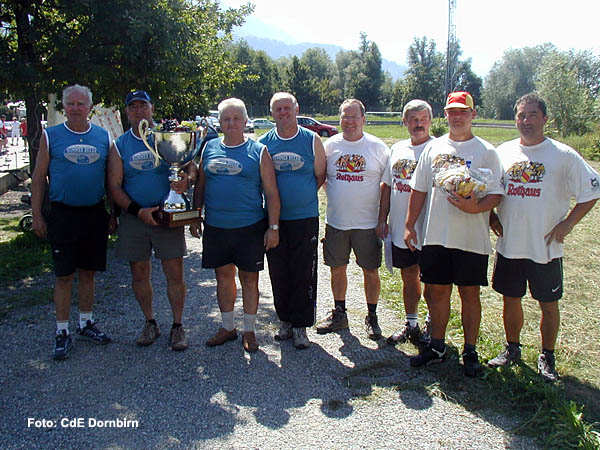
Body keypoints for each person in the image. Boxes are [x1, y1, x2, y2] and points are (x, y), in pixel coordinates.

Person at [487, 93, 600, 382]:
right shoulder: (504, 152)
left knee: (548, 305)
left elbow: (592, 191)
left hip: (546, 246)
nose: (525, 121)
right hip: (510, 243)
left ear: (545, 119)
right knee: (510, 299)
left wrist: (568, 223)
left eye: (532, 115)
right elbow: (489, 189)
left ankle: (547, 356)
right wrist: (490, 216)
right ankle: (513, 349)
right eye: (521, 116)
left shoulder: (563, 156)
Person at [405, 91, 504, 376]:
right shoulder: (433, 149)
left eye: (463, 111)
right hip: (437, 235)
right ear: (445, 115)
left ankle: (470, 351)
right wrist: (410, 224)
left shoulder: (486, 151)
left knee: (469, 294)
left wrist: (476, 210)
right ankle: (437, 346)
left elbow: (496, 193)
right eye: (452, 111)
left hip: (471, 238)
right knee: (436, 292)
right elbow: (419, 188)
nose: (457, 116)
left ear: (473, 114)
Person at [107, 90, 196, 351]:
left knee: (174, 272)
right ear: (127, 112)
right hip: (136, 218)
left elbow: (192, 166)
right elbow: (114, 185)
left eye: (143, 106)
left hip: (167, 215)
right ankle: (150, 322)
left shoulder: (168, 136)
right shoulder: (120, 145)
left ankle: (178, 327)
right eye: (133, 107)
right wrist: (138, 211)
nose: (139, 111)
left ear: (152, 108)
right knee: (139, 272)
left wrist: (186, 180)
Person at [191, 98, 280, 353]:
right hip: (217, 226)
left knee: (249, 280)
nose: (231, 123)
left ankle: (249, 330)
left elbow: (272, 193)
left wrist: (273, 227)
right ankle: (228, 327)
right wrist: (196, 215)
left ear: (245, 121)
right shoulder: (209, 148)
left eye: (236, 119)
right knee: (223, 277)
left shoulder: (258, 151)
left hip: (249, 226)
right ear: (220, 122)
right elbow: (201, 185)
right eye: (226, 119)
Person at [31, 84, 113, 360]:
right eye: (71, 104)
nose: (76, 108)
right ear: (63, 108)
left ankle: (86, 323)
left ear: (90, 107)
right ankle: (62, 330)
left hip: (94, 213)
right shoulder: (51, 136)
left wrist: (112, 213)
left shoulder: (103, 136)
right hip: (63, 214)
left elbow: (111, 179)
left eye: (81, 104)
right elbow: (39, 177)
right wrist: (37, 214)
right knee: (64, 276)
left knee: (88, 272)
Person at [316, 99, 390, 339]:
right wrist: (338, 196)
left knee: (370, 270)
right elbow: (322, 176)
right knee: (337, 268)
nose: (349, 121)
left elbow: (386, 185)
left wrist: (381, 218)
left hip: (367, 223)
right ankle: (340, 314)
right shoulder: (330, 146)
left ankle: (372, 316)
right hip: (337, 222)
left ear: (363, 120)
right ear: (339, 119)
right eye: (344, 116)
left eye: (353, 116)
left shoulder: (377, 147)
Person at [259, 92, 326, 349]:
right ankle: (285, 320)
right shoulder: (265, 143)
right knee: (278, 271)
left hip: (304, 218)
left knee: (303, 272)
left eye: (287, 108)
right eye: (278, 109)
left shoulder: (312, 140)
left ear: (296, 109)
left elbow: (320, 175)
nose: (283, 113)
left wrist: (302, 196)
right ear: (272, 113)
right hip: (274, 219)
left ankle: (301, 326)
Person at [377, 99, 434, 346]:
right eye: (413, 119)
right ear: (405, 122)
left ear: (430, 122)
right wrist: (383, 219)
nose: (418, 124)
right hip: (401, 228)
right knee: (408, 277)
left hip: (430, 229)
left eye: (423, 119)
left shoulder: (438, 149)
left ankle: (434, 326)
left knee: (433, 282)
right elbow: (387, 186)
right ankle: (411, 324)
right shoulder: (397, 149)